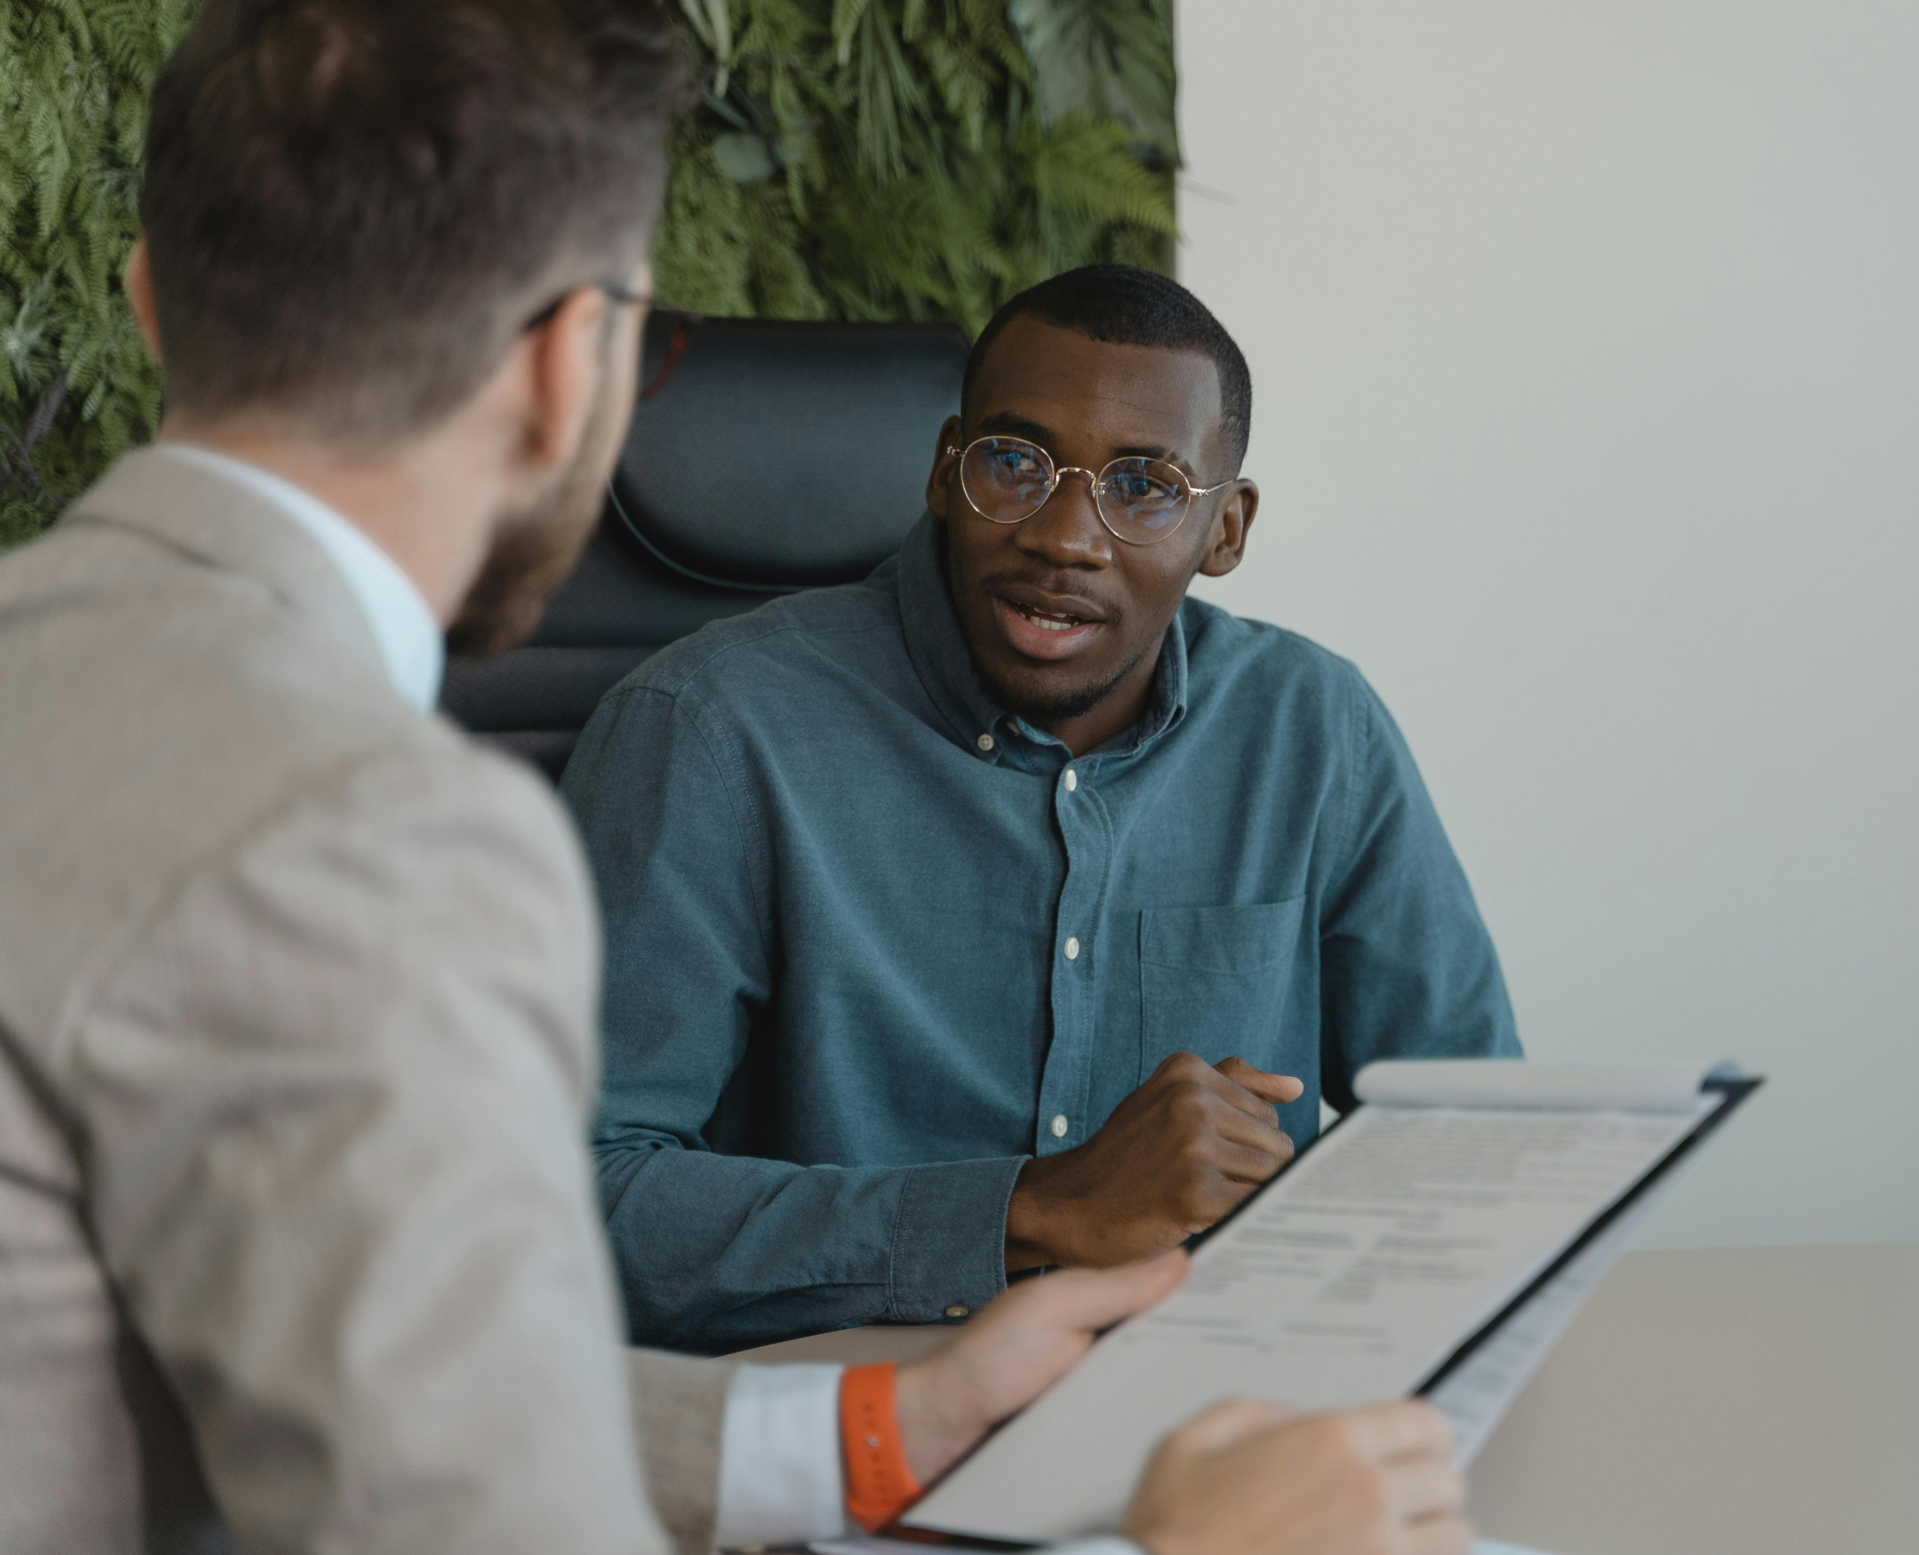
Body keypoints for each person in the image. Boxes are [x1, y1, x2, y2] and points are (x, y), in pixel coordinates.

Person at [0, 3, 1474, 1554]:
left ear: (147, 303)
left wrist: (879, 1429)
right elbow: (460, 1508)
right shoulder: (369, 826)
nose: (1062, 529)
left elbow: (385, 1386)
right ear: (585, 366)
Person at [565, 263, 1523, 1353]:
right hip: (838, 1433)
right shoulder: (707, 729)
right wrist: (1034, 1209)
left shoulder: (1313, 730)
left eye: (1144, 483)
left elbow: (1475, 1148)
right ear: (941, 470)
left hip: (1206, 1403)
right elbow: (563, 1206)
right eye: (1014, 463)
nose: (1065, 535)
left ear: (1225, 530)